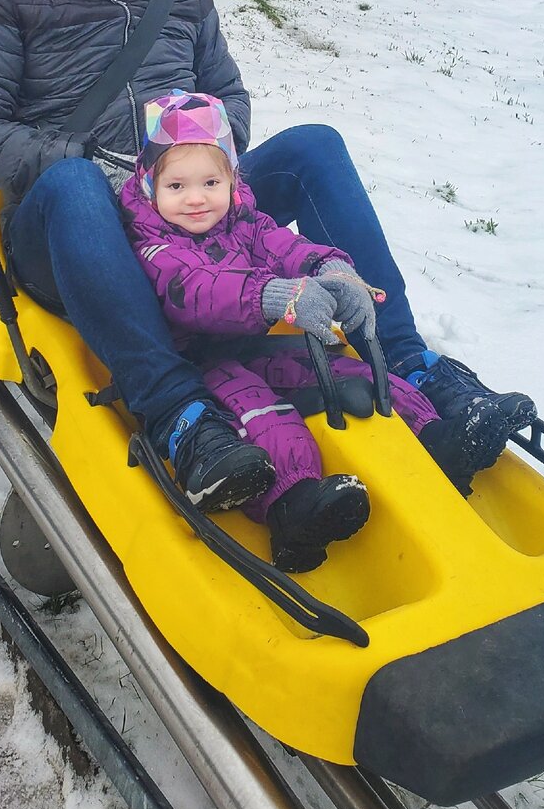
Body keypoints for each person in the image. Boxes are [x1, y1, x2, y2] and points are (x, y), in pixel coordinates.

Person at [0, 0, 536, 513]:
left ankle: (405, 356)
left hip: (189, 205)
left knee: (315, 144)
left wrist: (202, 165)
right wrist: (89, 166)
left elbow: (231, 99)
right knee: (77, 187)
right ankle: (178, 413)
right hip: (76, 227)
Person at [121, 90, 507, 571]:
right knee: (263, 414)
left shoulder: (243, 220)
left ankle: (437, 440)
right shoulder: (156, 245)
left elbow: (286, 246)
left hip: (256, 343)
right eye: (176, 186)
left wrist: (334, 270)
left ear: (232, 182)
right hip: (205, 360)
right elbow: (197, 292)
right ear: (149, 188)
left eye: (210, 182)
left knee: (355, 375)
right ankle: (295, 507)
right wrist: (273, 295)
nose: (196, 199)